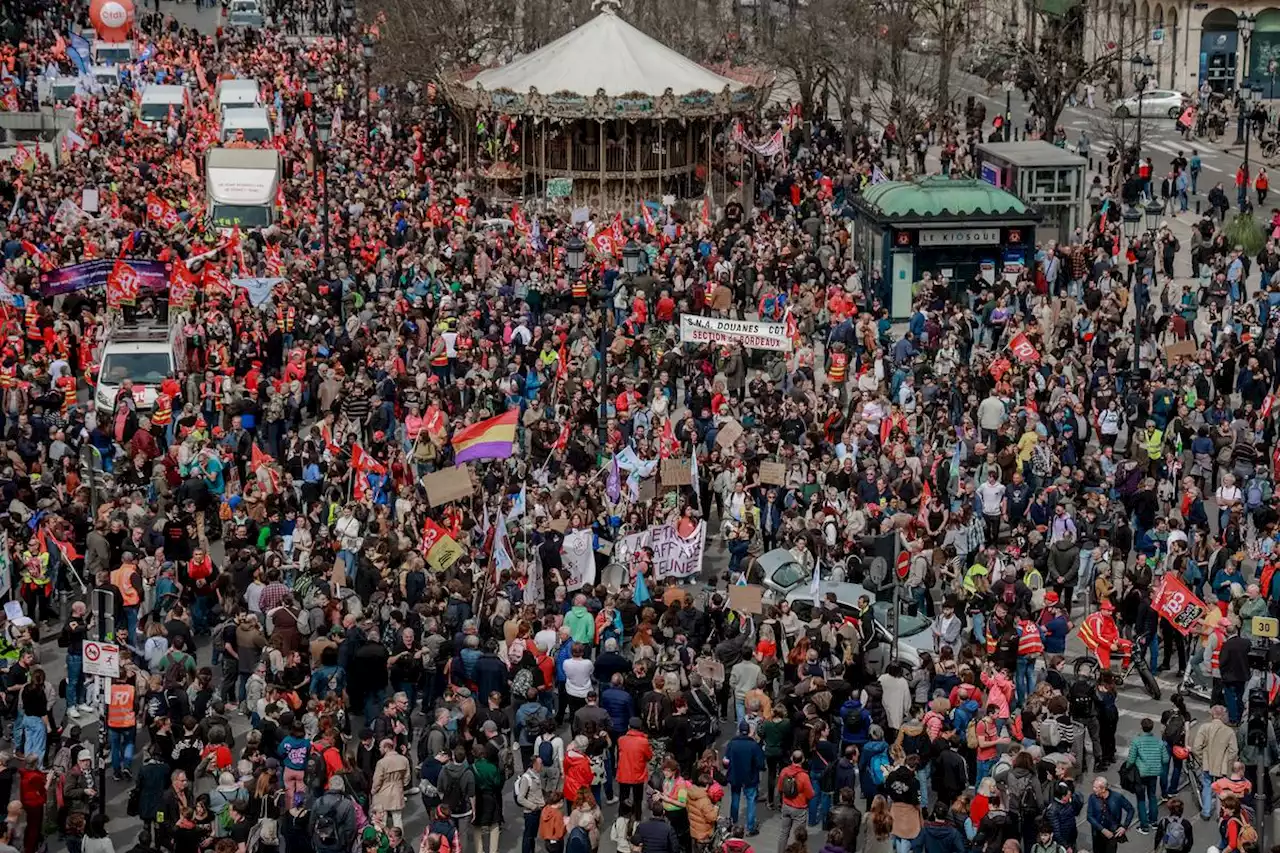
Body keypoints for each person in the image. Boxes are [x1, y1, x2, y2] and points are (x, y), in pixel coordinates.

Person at [1085, 776, 1134, 853]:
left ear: (1103, 789)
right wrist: (1103, 830)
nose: (1093, 789)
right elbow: (1089, 816)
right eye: (1093, 787)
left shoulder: (1117, 797)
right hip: (1097, 833)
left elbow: (1130, 810)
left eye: (1096, 788)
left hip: (1112, 833)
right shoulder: (1092, 798)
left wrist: (1124, 827)